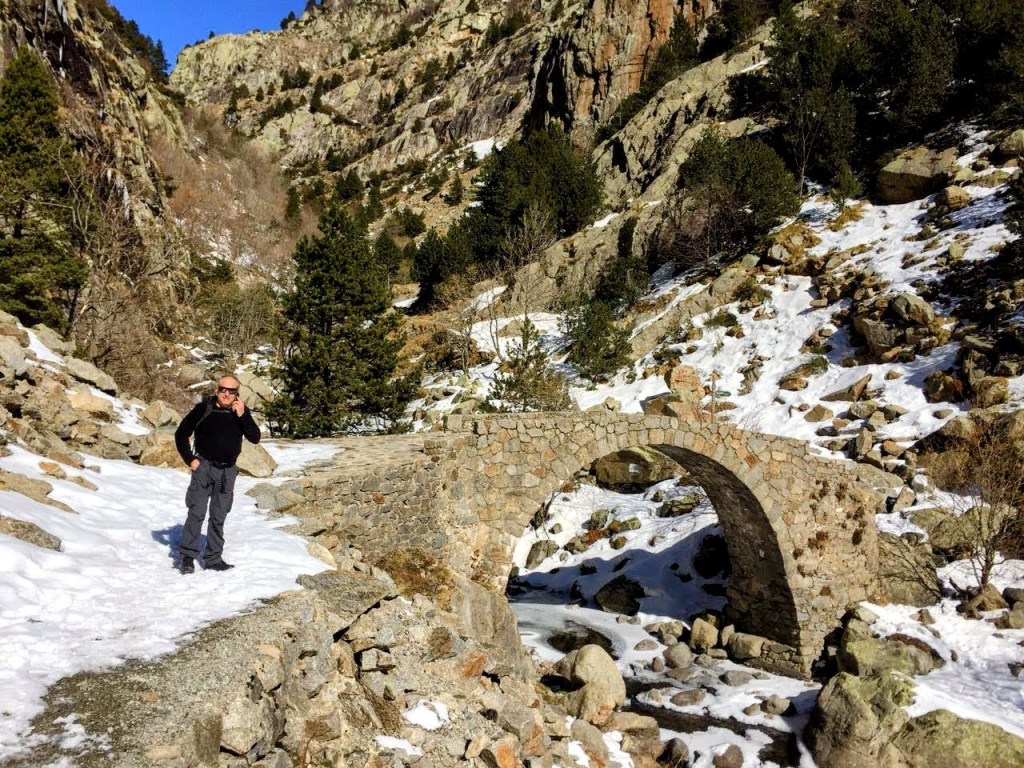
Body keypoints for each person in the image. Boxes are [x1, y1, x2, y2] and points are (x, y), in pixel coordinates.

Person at [173, 375, 261, 573]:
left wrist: (243, 415)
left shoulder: (240, 412)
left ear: (237, 394)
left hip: (227, 472)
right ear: (216, 390)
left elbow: (255, 438)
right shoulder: (203, 409)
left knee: (218, 516)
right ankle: (187, 557)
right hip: (204, 468)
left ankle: (213, 558)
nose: (226, 393)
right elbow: (181, 433)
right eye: (223, 389)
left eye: (231, 391)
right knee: (196, 513)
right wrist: (190, 459)